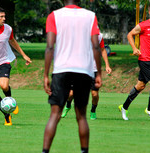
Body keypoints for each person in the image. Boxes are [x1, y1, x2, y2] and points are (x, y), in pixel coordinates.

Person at [43, 0, 102, 152]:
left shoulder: (54, 16)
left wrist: (45, 75)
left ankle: (45, 151)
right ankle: (84, 151)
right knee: (81, 115)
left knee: (54, 114)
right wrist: (99, 73)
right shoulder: (90, 16)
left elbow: (50, 46)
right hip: (84, 70)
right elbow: (96, 46)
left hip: (61, 69)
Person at [118, 2, 150, 121]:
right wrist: (134, 48)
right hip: (145, 59)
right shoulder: (143, 25)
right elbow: (130, 34)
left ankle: (124, 107)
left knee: (140, 86)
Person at [61, 33, 112, 120]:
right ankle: (68, 105)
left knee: (94, 94)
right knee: (71, 94)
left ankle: (93, 111)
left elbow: (103, 50)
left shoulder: (99, 35)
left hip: (94, 69)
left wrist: (107, 65)